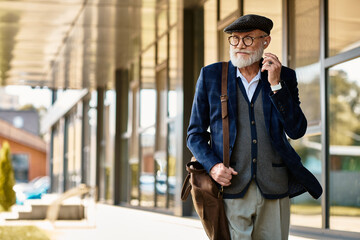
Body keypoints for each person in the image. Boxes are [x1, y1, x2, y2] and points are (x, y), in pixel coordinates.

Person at [186, 14, 322, 240]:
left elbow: (296, 130)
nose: (240, 45)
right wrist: (213, 166)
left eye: (248, 39)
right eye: (235, 39)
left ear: (265, 42)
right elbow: (195, 134)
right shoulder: (211, 76)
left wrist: (276, 86)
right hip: (230, 188)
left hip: (274, 186)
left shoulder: (284, 76)